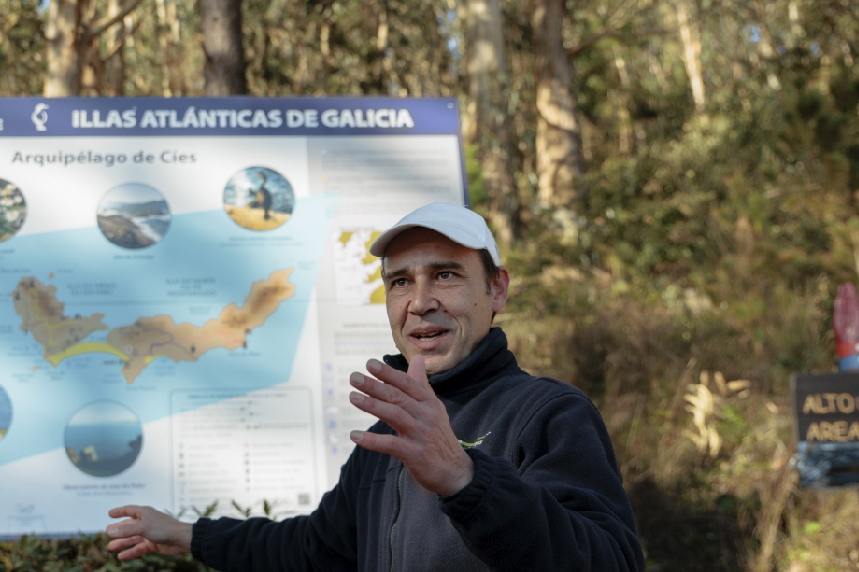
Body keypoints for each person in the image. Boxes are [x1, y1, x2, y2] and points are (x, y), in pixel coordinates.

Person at [105, 202, 643, 571]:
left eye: (447, 275)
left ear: (496, 289)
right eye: (400, 281)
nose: (420, 301)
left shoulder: (549, 413)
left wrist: (464, 478)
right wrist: (189, 536)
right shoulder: (387, 434)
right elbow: (314, 551)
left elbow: (610, 560)